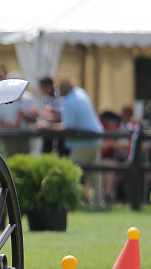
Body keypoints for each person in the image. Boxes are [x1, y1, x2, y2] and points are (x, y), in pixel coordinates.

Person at [37, 76, 105, 209]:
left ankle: (68, 203)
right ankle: (98, 204)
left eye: (59, 88)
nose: (57, 91)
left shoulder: (69, 102)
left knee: (69, 172)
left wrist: (46, 127)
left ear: (64, 89)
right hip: (96, 139)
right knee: (94, 173)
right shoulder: (80, 92)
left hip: (83, 143)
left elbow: (68, 128)